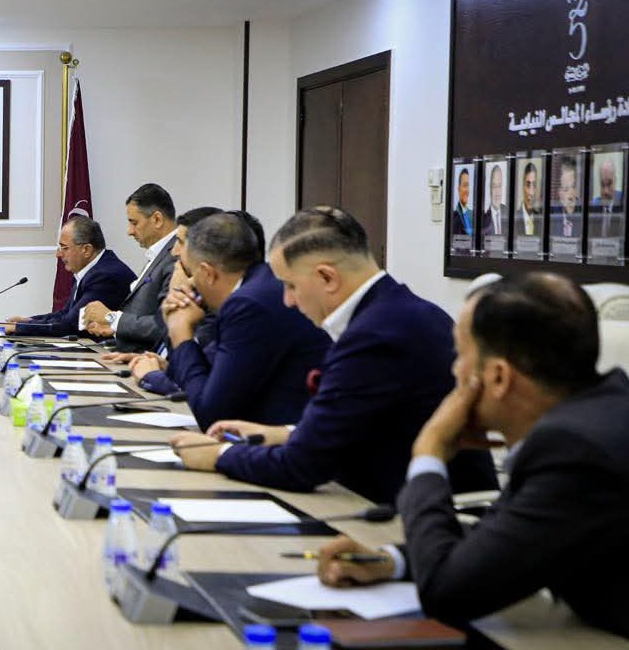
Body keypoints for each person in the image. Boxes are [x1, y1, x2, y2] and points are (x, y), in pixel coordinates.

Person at [314, 273, 629, 639]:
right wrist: (393, 560)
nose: (455, 370)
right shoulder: (604, 412)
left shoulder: (574, 452)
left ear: (498, 377)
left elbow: (447, 592)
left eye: (461, 355)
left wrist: (428, 453)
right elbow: (512, 538)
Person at [168, 206, 497, 504]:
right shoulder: (404, 310)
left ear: (327, 277)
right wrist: (284, 434)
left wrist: (219, 455)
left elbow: (301, 466)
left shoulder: (373, 336)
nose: (287, 301)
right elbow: (361, 419)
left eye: (290, 286)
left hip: (420, 517)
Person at [159, 212, 331, 429]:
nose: (190, 283)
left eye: (191, 273)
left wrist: (182, 336)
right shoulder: (259, 286)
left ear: (208, 273)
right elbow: (209, 377)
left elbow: (210, 413)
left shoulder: (248, 304)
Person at [109, 206, 224, 395]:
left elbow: (204, 390)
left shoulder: (226, 307)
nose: (174, 252)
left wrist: (151, 376)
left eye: (180, 242)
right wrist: (167, 366)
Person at [83, 183, 180, 352]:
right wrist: (114, 329)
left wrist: (112, 318)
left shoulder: (175, 257)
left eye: (134, 223)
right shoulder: (159, 254)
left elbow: (167, 324)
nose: (130, 231)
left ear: (157, 219)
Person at [5, 216, 134, 336]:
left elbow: (70, 325)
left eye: (65, 248)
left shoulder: (105, 276)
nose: (59, 254)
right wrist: (28, 321)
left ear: (86, 250)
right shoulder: (90, 269)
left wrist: (19, 327)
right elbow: (65, 314)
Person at [590, 157, 623, 238]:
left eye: (609, 184)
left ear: (615, 181)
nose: (606, 191)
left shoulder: (623, 202)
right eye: (602, 184)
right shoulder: (593, 206)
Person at [552, 156, 581, 238]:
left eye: (574, 187)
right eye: (566, 189)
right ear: (559, 193)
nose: (571, 196)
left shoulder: (585, 216)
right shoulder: (552, 217)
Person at [516, 161, 542, 237]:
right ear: (523, 187)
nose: (531, 192)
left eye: (534, 185)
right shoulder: (514, 218)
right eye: (528, 185)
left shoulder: (541, 219)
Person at [481, 164, 505, 237]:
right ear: (490, 188)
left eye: (499, 186)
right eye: (494, 186)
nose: (497, 191)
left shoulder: (508, 212)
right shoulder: (483, 218)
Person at [450, 168, 473, 236]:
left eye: (468, 186)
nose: (467, 190)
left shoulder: (472, 214)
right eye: (465, 185)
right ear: (459, 189)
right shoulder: (454, 216)